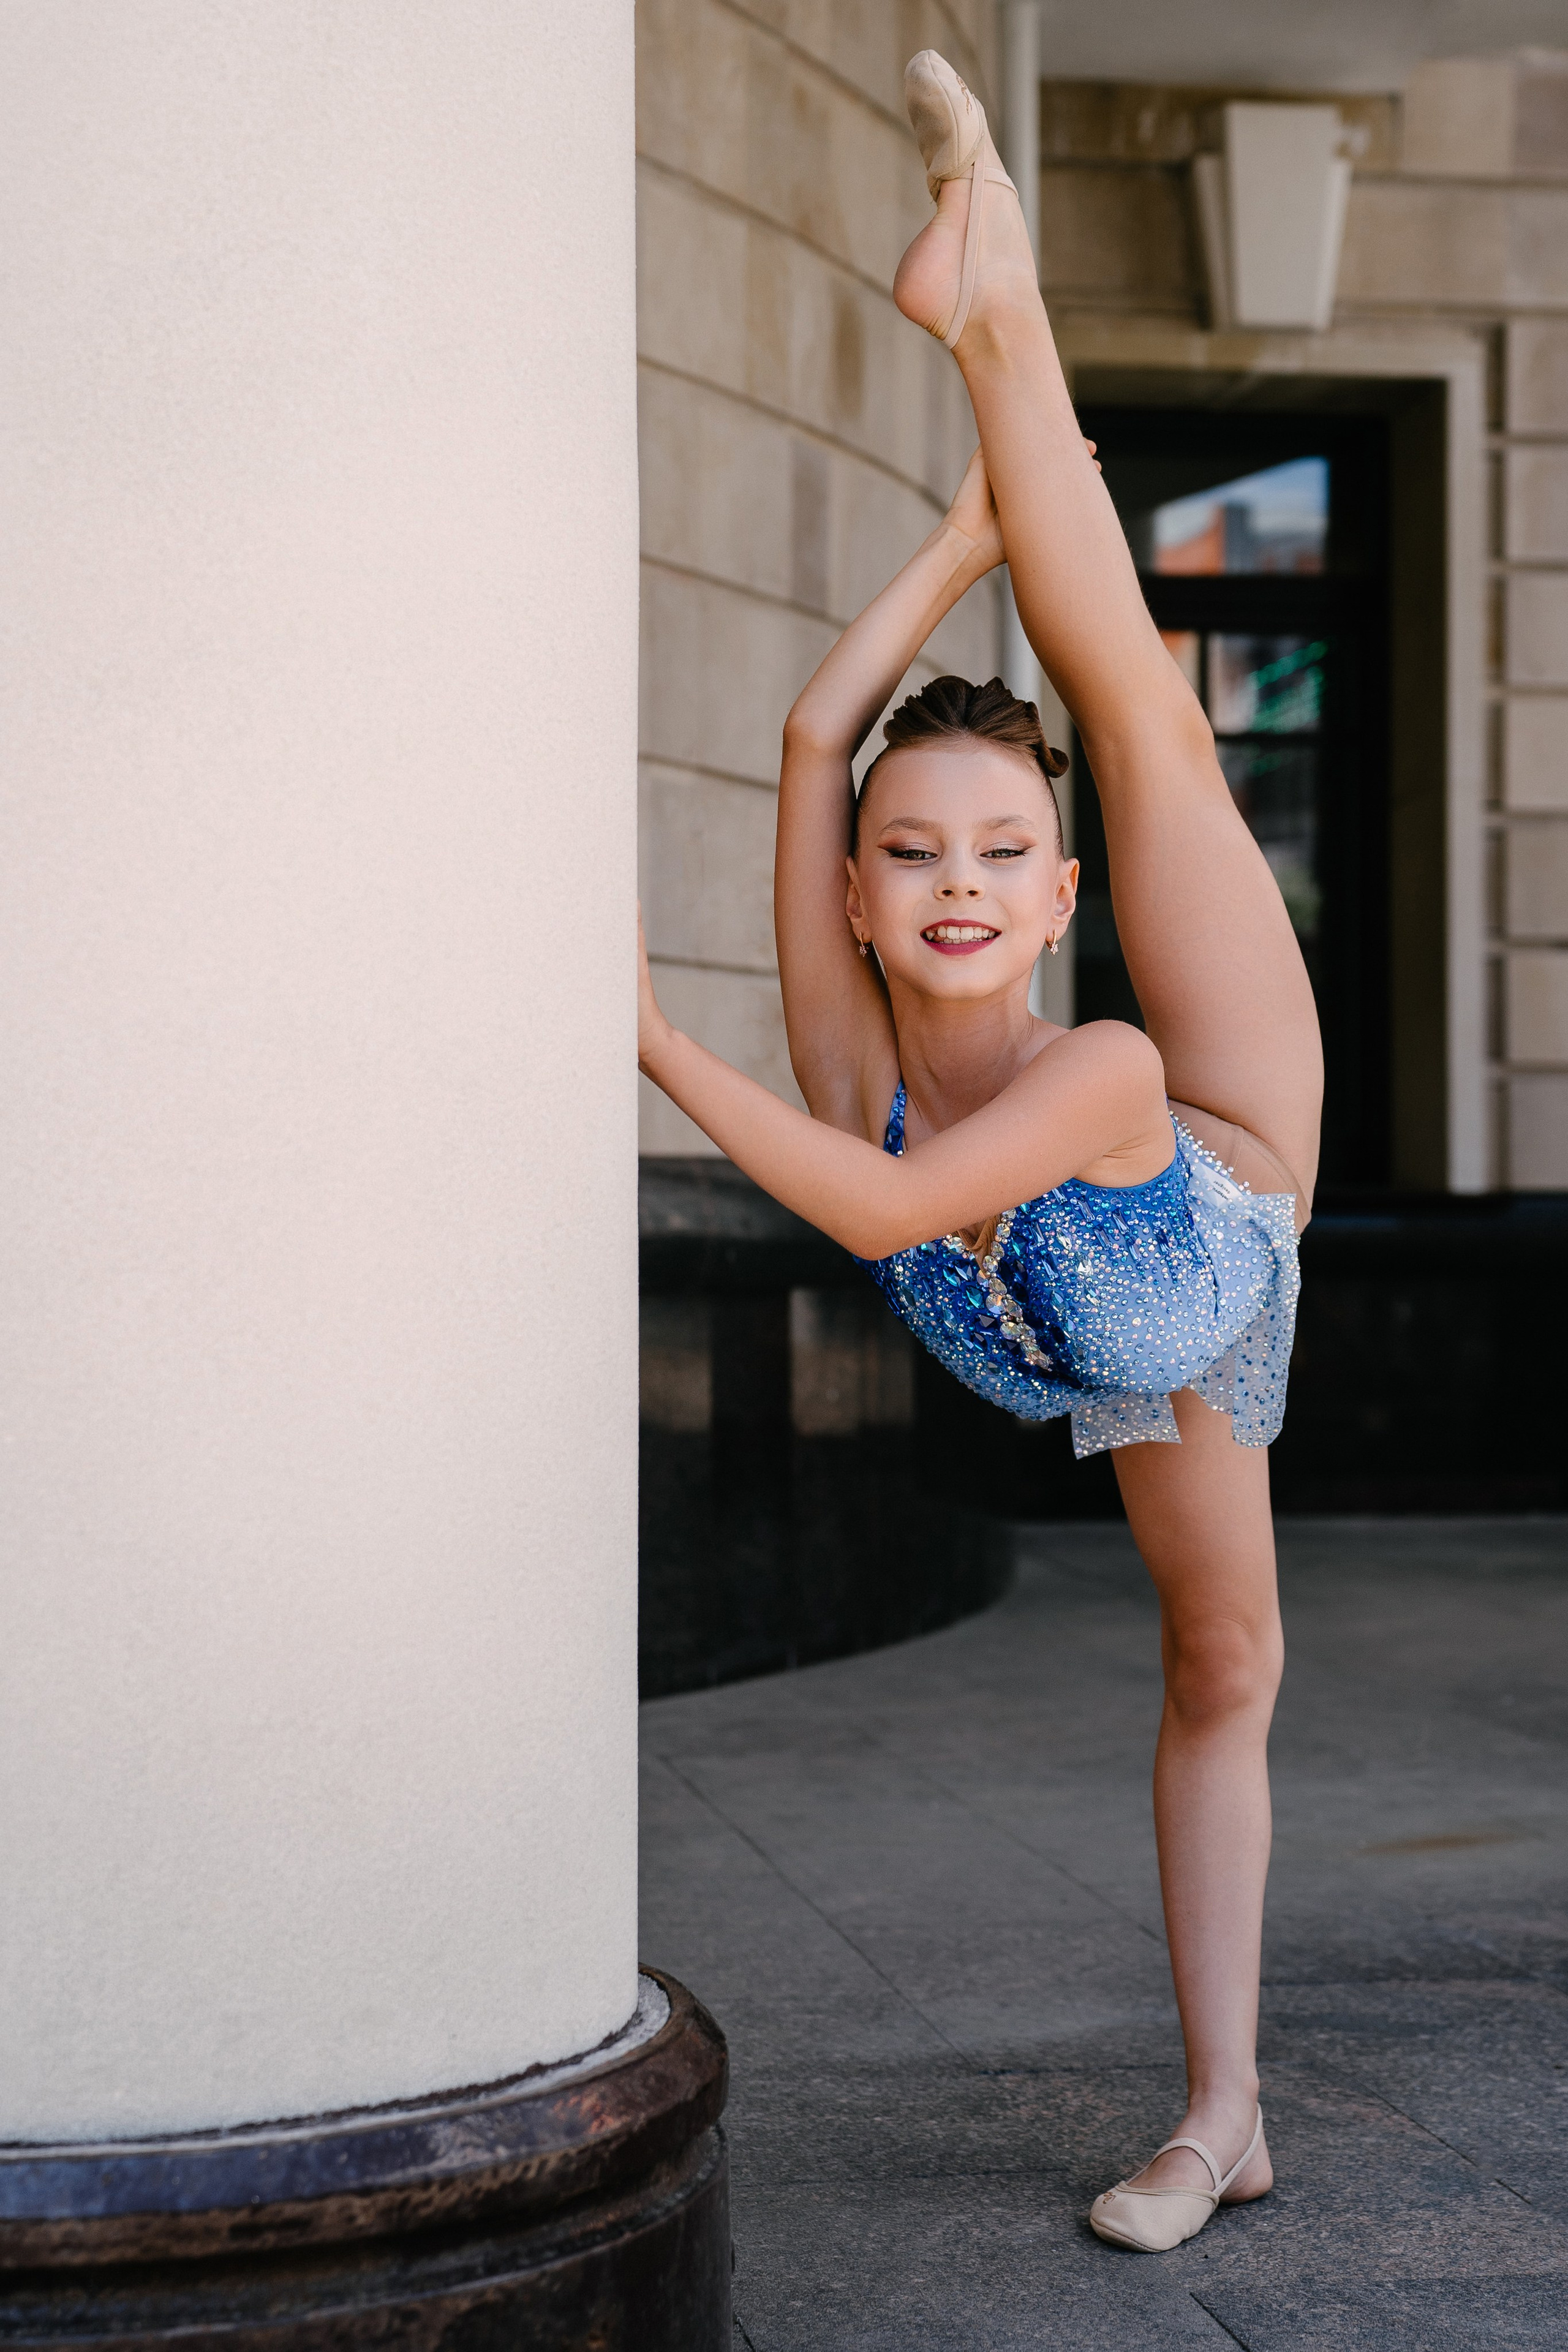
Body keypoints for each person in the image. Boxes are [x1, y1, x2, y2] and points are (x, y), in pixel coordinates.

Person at [636, 50, 1322, 2253]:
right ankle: (993, 304)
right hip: (1107, 1348)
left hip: (1219, 1192)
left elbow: (881, 1208)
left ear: (1056, 897)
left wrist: (647, 1041)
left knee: (1144, 710)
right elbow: (810, 737)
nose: (954, 880)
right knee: (1220, 1672)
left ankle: (993, 290)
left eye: (1005, 854)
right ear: (859, 895)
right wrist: (960, 543)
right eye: (915, 853)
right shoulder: (852, 1044)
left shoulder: (1108, 1060)